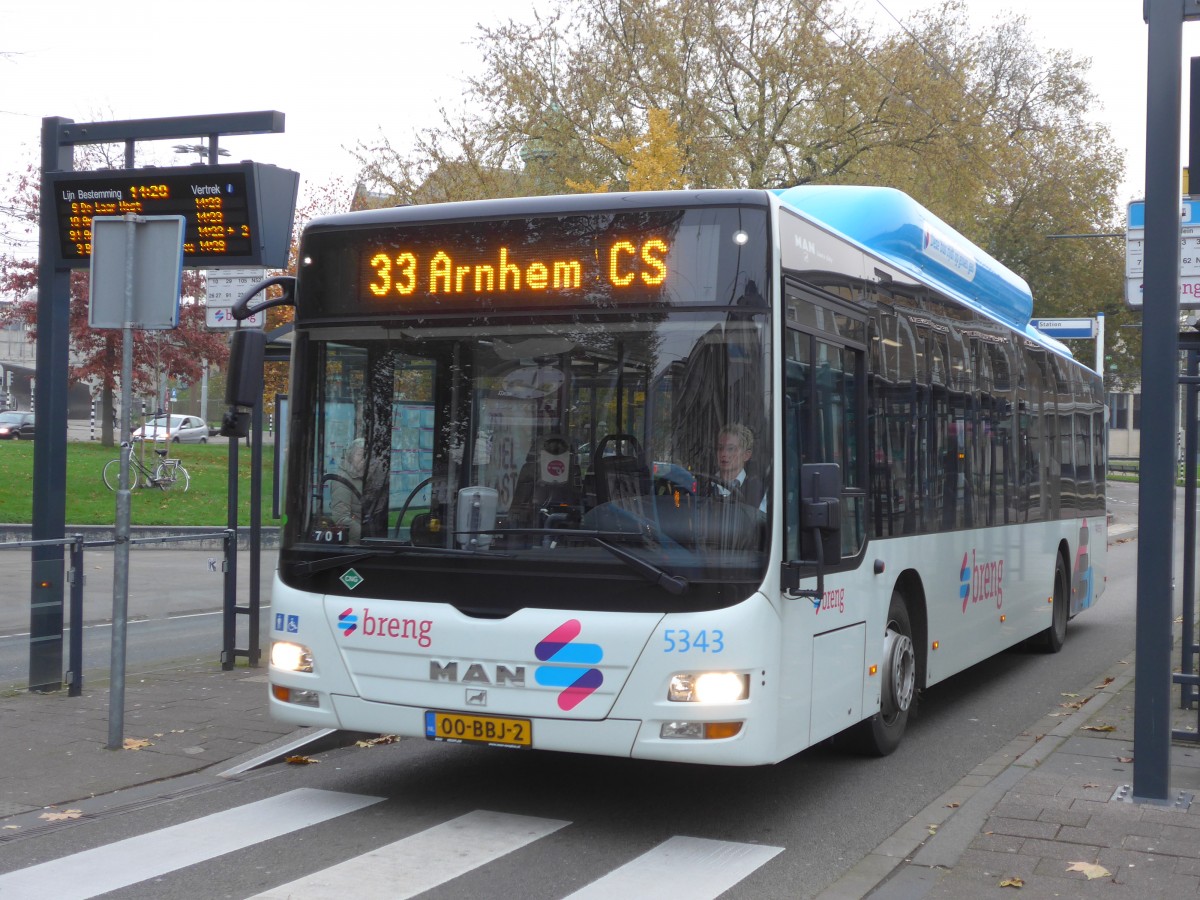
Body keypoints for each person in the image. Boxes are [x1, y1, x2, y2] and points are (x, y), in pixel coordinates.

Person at [711, 424, 763, 507]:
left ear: (746, 455)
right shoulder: (702, 485)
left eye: (731, 449)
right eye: (720, 448)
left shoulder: (758, 491)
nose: (723, 454)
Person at [330, 439, 366, 541]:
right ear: (350, 457)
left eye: (366, 455)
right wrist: (366, 535)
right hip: (355, 546)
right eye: (359, 454)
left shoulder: (365, 476)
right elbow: (341, 519)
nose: (363, 459)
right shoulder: (342, 480)